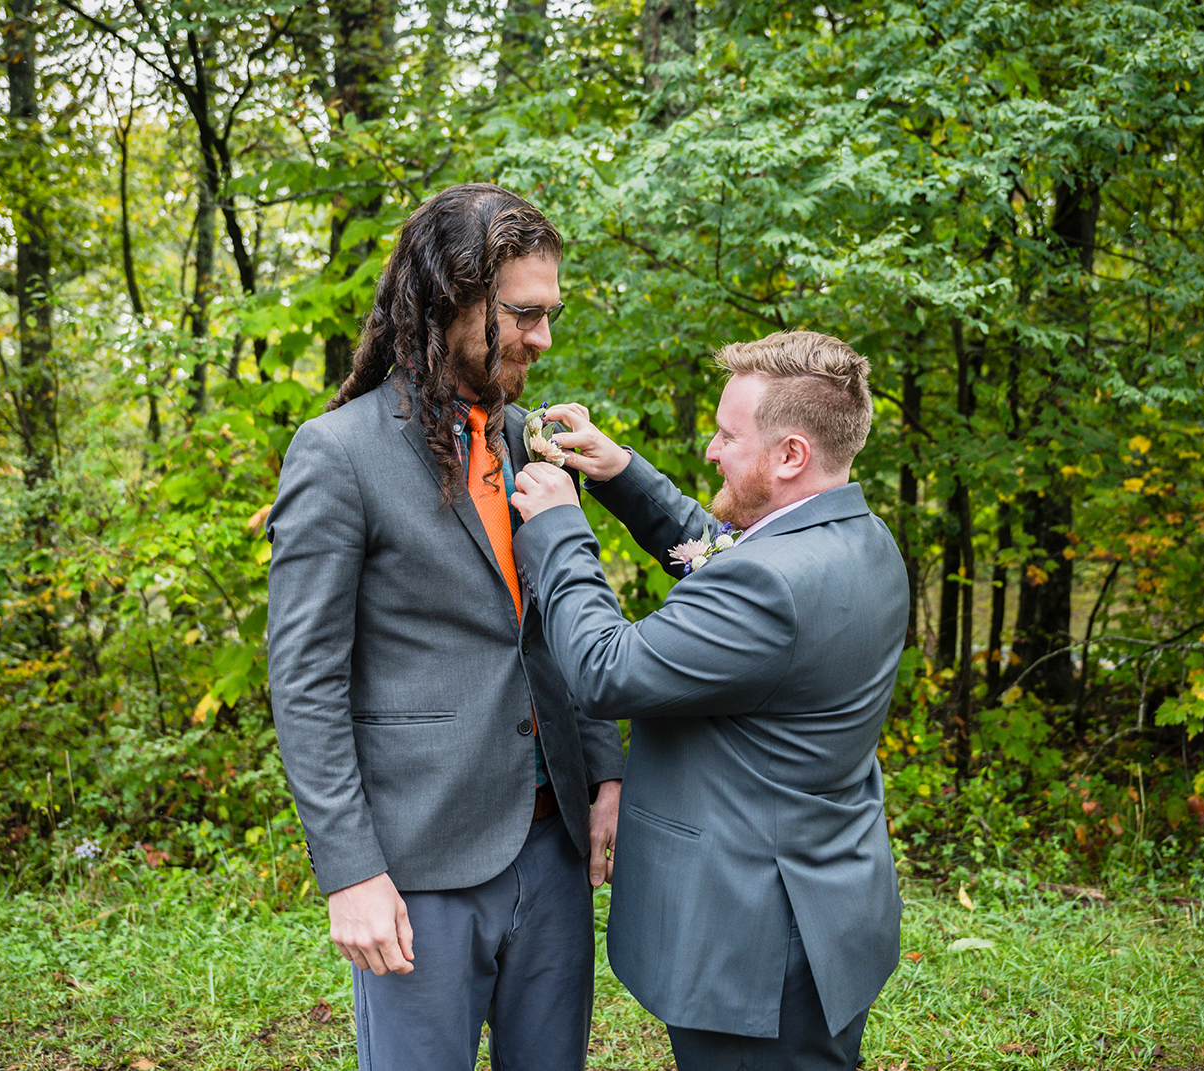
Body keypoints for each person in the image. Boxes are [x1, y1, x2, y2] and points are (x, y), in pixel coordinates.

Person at [266, 183, 624, 1071]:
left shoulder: (524, 440)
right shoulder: (337, 452)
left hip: (553, 848)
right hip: (418, 863)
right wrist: (350, 870)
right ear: (449, 299)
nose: (543, 337)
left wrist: (606, 770)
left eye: (551, 313)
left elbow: (552, 622)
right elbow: (305, 682)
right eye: (524, 314)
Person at [509, 330, 909, 1071]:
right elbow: (722, 549)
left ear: (790, 454)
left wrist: (562, 528)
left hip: (755, 945)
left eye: (728, 435)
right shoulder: (858, 535)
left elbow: (605, 667)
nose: (712, 451)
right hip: (822, 908)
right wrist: (622, 474)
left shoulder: (773, 586)